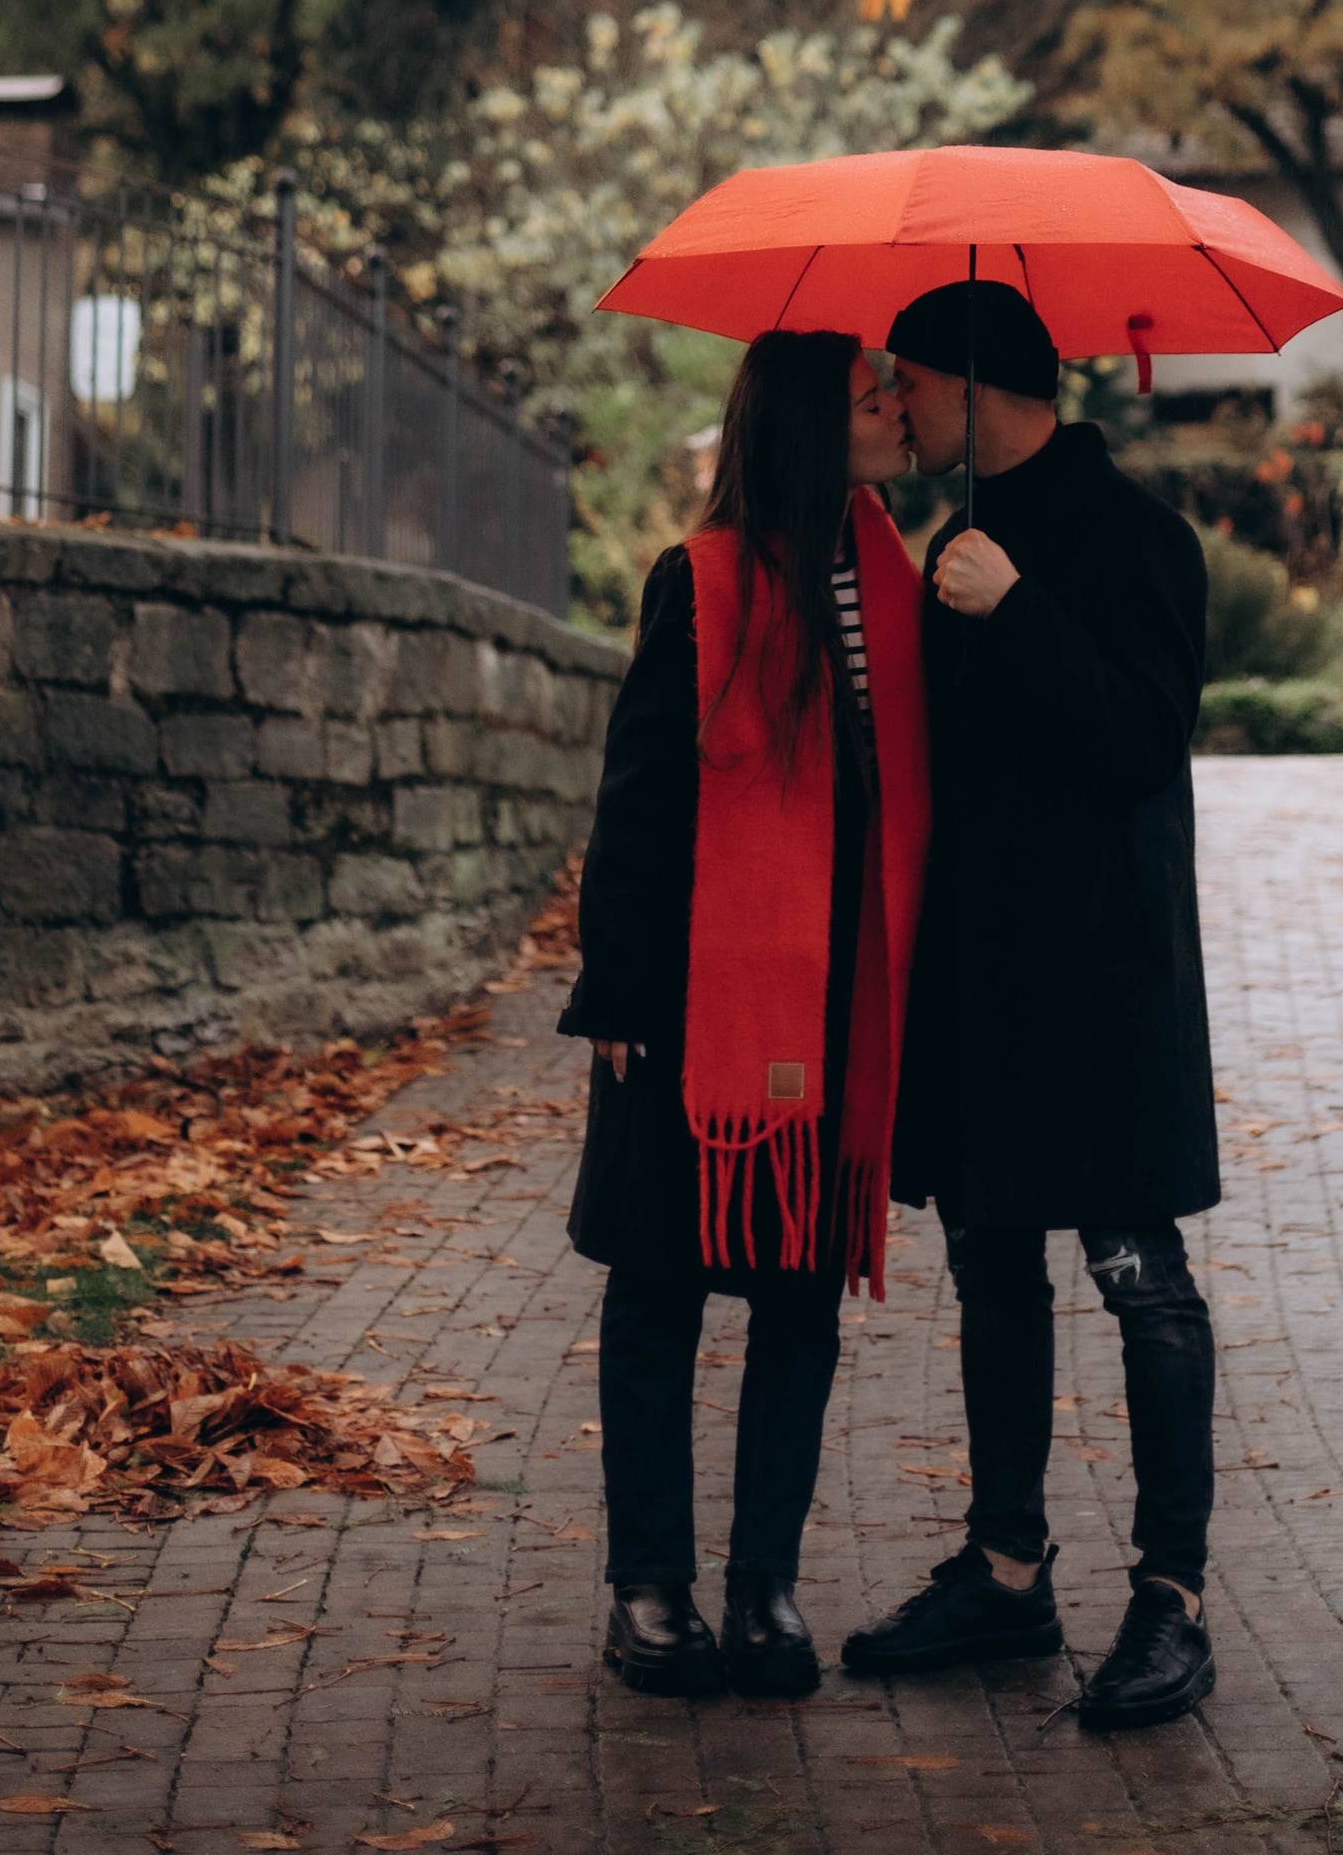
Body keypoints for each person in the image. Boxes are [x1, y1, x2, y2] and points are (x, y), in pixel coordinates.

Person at [839, 279, 1219, 1733]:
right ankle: (1008, 1572)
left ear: (972, 387)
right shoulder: (949, 541)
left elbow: (1142, 740)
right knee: (994, 1272)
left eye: (910, 386)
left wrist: (1024, 611)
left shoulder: (1139, 541)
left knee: (1138, 1275)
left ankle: (1170, 1601)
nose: (900, 410)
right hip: (983, 983)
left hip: (1105, 982)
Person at [560, 331, 928, 1701]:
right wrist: (617, 986)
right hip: (695, 996)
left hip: (839, 994)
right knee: (657, 1296)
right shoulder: (701, 583)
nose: (899, 410)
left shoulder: (897, 578)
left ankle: (764, 1586)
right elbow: (639, 797)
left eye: (896, 391)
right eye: (874, 394)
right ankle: (648, 1589)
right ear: (807, 426)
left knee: (799, 1301)